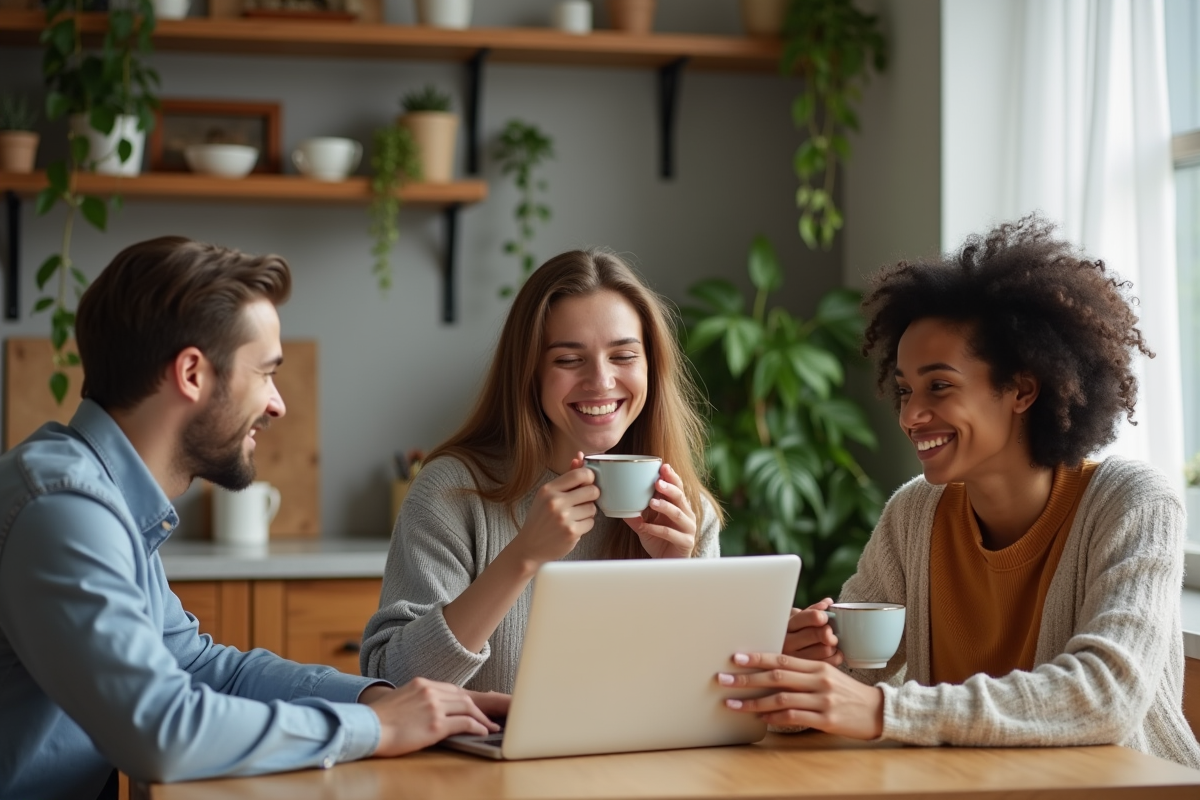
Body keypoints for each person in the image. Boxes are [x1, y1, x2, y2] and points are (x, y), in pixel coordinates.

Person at [0, 237, 508, 800]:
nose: (278, 403)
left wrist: (378, 699)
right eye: (265, 372)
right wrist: (379, 728)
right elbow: (161, 730)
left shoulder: (103, 500)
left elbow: (199, 668)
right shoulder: (63, 507)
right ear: (192, 373)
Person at [717, 216, 1200, 768]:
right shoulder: (915, 514)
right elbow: (851, 679)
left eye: (939, 386)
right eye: (904, 390)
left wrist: (881, 711)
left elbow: (1103, 697)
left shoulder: (1133, 504)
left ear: (1021, 389)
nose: (911, 415)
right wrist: (808, 667)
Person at [361, 248, 723, 692]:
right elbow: (391, 682)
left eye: (624, 356)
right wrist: (523, 557)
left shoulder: (685, 511)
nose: (602, 381)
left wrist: (674, 581)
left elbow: (700, 699)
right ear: (529, 371)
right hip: (483, 762)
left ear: (652, 367)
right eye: (569, 360)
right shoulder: (450, 494)